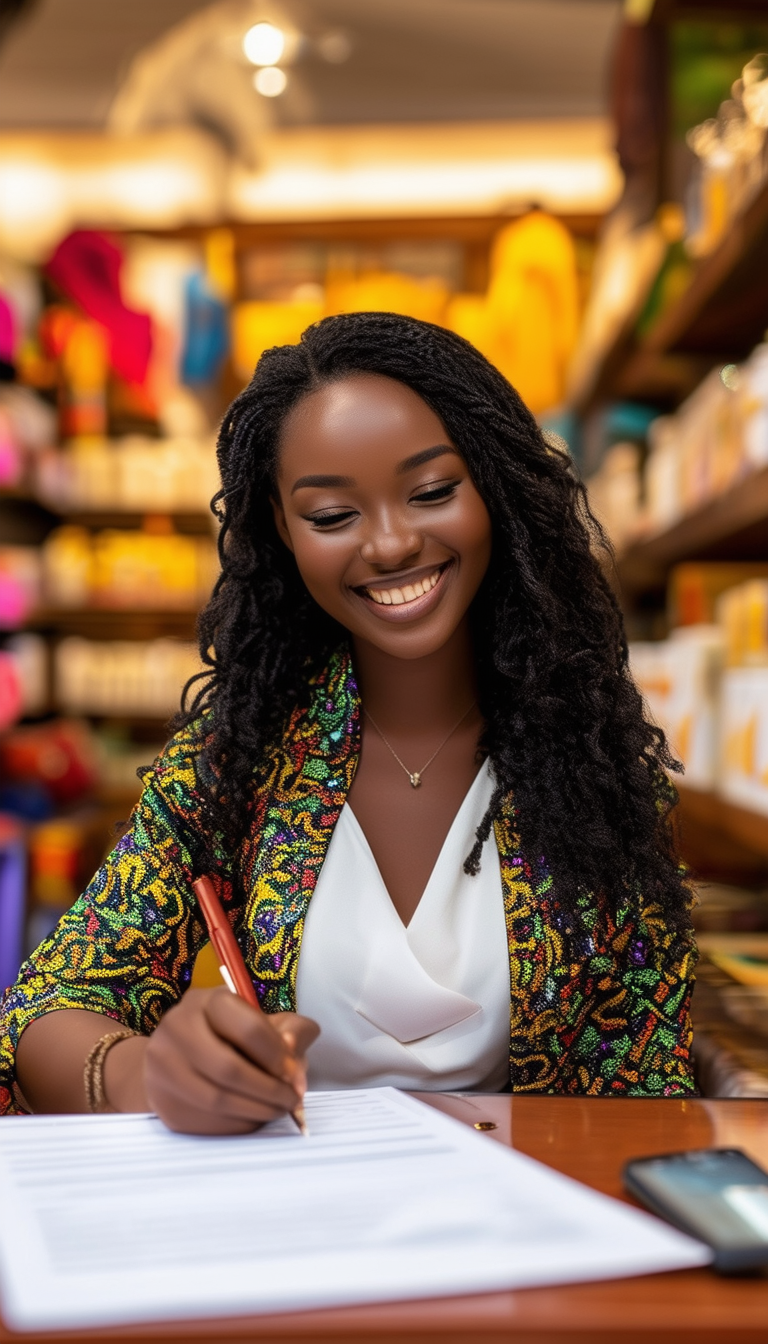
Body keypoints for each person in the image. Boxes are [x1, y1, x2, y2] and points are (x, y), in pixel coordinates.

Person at [0, 312, 697, 1131]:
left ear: (497, 488)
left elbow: (649, 1087)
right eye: (333, 515)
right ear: (282, 530)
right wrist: (145, 1073)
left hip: (525, 1232)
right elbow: (47, 1004)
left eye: (433, 492)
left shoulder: (596, 766)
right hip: (296, 1231)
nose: (393, 543)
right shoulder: (236, 764)